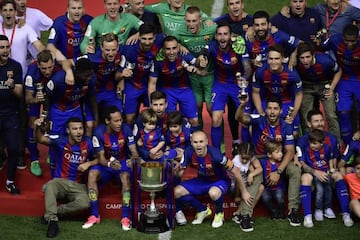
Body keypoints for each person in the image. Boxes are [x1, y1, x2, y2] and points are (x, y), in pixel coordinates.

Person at [236, 95, 301, 227]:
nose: (272, 112)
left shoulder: (286, 125)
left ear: (281, 111)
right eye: (269, 108)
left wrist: (278, 171)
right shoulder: (259, 120)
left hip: (278, 159)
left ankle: (293, 210)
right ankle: (245, 215)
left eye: (275, 109)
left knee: (295, 170)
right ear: (265, 110)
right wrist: (242, 105)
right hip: (259, 158)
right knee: (254, 176)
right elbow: (239, 118)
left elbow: (289, 151)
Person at [174, 130, 252, 228]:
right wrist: (176, 170)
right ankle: (202, 210)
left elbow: (236, 171)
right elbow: (180, 172)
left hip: (220, 181)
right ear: (191, 142)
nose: (198, 145)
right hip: (202, 181)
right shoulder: (188, 152)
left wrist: (244, 192)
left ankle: (219, 213)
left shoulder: (216, 155)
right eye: (195, 142)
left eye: (201, 142)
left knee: (213, 193)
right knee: (177, 191)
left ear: (206, 142)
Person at [34, 117, 97, 238]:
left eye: (80, 128)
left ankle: (54, 212)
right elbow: (40, 138)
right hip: (60, 182)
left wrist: (89, 163)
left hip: (78, 185)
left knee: (86, 203)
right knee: (51, 185)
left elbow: (99, 158)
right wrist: (36, 127)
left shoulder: (88, 143)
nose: (78, 132)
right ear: (68, 131)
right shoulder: (60, 140)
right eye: (74, 129)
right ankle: (53, 222)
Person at [82, 106, 139, 231]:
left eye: (120, 120)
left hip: (123, 162)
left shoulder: (126, 129)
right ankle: (94, 214)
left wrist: (133, 159)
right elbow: (101, 158)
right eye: (116, 121)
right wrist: (109, 164)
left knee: (125, 177)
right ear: (108, 121)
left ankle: (125, 217)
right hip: (106, 165)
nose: (120, 123)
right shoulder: (98, 132)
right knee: (92, 174)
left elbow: (134, 150)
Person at [297, 109, 353, 227]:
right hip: (310, 171)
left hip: (327, 170)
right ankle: (307, 216)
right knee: (306, 178)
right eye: (316, 121)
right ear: (309, 124)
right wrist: (315, 172)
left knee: (338, 175)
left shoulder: (331, 139)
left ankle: (346, 214)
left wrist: (331, 170)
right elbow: (301, 163)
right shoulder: (302, 140)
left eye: (321, 120)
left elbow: (334, 158)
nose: (320, 123)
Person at [203, 22, 251, 152]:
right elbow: (204, 53)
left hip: (238, 84)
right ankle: (216, 153)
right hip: (220, 85)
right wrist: (202, 60)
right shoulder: (213, 46)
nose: (222, 37)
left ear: (230, 36)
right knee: (216, 118)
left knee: (246, 119)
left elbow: (247, 68)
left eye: (225, 34)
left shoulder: (238, 47)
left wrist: (243, 79)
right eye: (219, 34)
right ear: (216, 37)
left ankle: (245, 152)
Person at [214, 0, 253, 151]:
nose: (235, 6)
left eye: (237, 3)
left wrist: (252, 29)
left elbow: (269, 25)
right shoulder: (222, 21)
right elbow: (207, 23)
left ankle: (247, 149)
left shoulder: (251, 21)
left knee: (245, 116)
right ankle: (232, 145)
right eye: (231, 3)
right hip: (224, 79)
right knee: (230, 112)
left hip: (243, 78)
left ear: (243, 4)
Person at [173, 6, 216, 130]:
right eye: (188, 21)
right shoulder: (179, 32)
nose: (191, 24)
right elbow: (169, 44)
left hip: (210, 74)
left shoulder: (211, 28)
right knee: (197, 106)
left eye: (194, 21)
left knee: (211, 108)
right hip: (193, 76)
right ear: (185, 20)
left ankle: (221, 140)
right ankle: (199, 134)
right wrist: (179, 44)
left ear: (200, 20)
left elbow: (224, 31)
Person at [148, 35, 201, 131]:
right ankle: (168, 143)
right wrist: (152, 104)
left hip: (185, 89)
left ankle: (194, 142)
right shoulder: (158, 61)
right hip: (167, 90)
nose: (171, 52)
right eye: (168, 49)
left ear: (178, 47)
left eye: (174, 48)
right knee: (169, 120)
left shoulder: (185, 55)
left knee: (194, 120)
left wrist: (195, 69)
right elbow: (152, 83)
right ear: (163, 50)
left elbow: (203, 71)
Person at [119, 23, 165, 125]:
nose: (147, 42)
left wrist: (179, 44)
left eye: (150, 38)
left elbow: (171, 39)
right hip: (132, 85)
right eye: (144, 38)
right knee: (129, 118)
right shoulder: (129, 49)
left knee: (156, 112)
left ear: (155, 37)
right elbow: (120, 71)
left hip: (150, 81)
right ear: (139, 36)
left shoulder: (160, 39)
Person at [24, 50, 61, 176]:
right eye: (44, 68)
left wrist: (47, 100)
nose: (47, 71)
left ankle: (52, 153)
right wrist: (36, 99)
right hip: (36, 96)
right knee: (32, 122)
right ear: (38, 65)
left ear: (53, 63)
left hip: (52, 96)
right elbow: (27, 98)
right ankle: (34, 159)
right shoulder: (32, 72)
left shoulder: (58, 70)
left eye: (50, 67)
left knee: (52, 122)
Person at [252, 44, 303, 134]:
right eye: (271, 59)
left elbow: (299, 94)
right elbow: (255, 92)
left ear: (283, 59)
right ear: (267, 60)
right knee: (252, 128)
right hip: (267, 102)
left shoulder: (292, 73)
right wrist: (260, 111)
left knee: (294, 133)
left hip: (286, 102)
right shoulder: (260, 71)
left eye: (277, 59)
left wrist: (293, 114)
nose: (273, 62)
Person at [322, 24, 360, 144]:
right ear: (342, 37)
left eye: (353, 41)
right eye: (347, 40)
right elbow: (320, 47)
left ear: (358, 38)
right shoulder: (334, 40)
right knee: (343, 113)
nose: (349, 44)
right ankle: (349, 146)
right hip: (344, 78)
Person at [296, 42, 341, 140]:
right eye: (302, 58)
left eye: (308, 57)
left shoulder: (325, 60)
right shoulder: (295, 62)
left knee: (331, 115)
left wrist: (332, 88)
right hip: (306, 86)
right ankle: (308, 143)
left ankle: (335, 144)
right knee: (305, 116)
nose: (305, 60)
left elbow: (338, 71)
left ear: (313, 55)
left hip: (324, 85)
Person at [298, 129, 337, 228]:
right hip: (315, 174)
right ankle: (318, 209)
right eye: (311, 143)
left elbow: (330, 158)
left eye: (315, 143)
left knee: (328, 190)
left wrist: (331, 168)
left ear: (322, 143)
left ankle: (327, 208)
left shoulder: (327, 148)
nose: (312, 145)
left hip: (325, 173)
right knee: (319, 190)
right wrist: (314, 172)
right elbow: (303, 163)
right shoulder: (307, 150)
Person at [0, 34, 22, 194]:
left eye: (7, 47)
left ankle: (10, 181)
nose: (6, 50)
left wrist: (12, 85)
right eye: (2, 48)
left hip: (10, 114)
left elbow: (20, 93)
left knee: (14, 148)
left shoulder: (15, 67)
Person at [82, 32, 123, 117]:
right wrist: (68, 72)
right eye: (107, 50)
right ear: (101, 47)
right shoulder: (92, 58)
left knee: (117, 117)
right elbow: (69, 62)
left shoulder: (122, 53)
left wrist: (122, 79)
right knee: (90, 125)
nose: (111, 53)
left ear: (118, 47)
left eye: (114, 50)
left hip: (109, 91)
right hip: (93, 92)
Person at [231, 142, 263, 231]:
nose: (245, 161)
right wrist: (237, 196)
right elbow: (238, 181)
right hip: (236, 186)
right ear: (239, 153)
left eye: (247, 159)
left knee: (261, 188)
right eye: (243, 158)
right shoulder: (235, 161)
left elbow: (260, 168)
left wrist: (251, 174)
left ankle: (241, 213)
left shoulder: (251, 158)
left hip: (246, 183)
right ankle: (245, 214)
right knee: (254, 178)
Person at [145, 0, 211, 35]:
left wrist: (208, 20)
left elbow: (209, 19)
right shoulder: (161, 8)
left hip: (185, 43)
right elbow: (142, 8)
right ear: (168, 0)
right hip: (169, 44)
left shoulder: (190, 10)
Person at [260, 140, 286, 220]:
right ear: (269, 154)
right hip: (266, 188)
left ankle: (281, 212)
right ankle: (273, 211)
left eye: (281, 151)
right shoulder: (264, 162)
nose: (281, 154)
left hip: (279, 187)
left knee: (279, 198)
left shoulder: (282, 164)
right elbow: (254, 159)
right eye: (277, 152)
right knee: (265, 198)